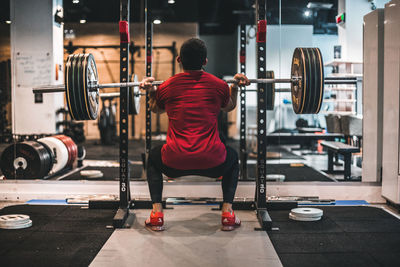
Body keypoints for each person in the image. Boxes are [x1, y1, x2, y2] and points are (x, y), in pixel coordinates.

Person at [139, 38, 250, 231]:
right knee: (232, 159)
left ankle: (157, 215)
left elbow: (155, 109)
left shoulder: (167, 86)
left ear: (179, 59)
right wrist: (235, 88)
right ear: (205, 61)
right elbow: (229, 107)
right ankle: (228, 215)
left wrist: (151, 91)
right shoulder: (219, 86)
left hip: (174, 163)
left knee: (153, 159)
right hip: (213, 163)